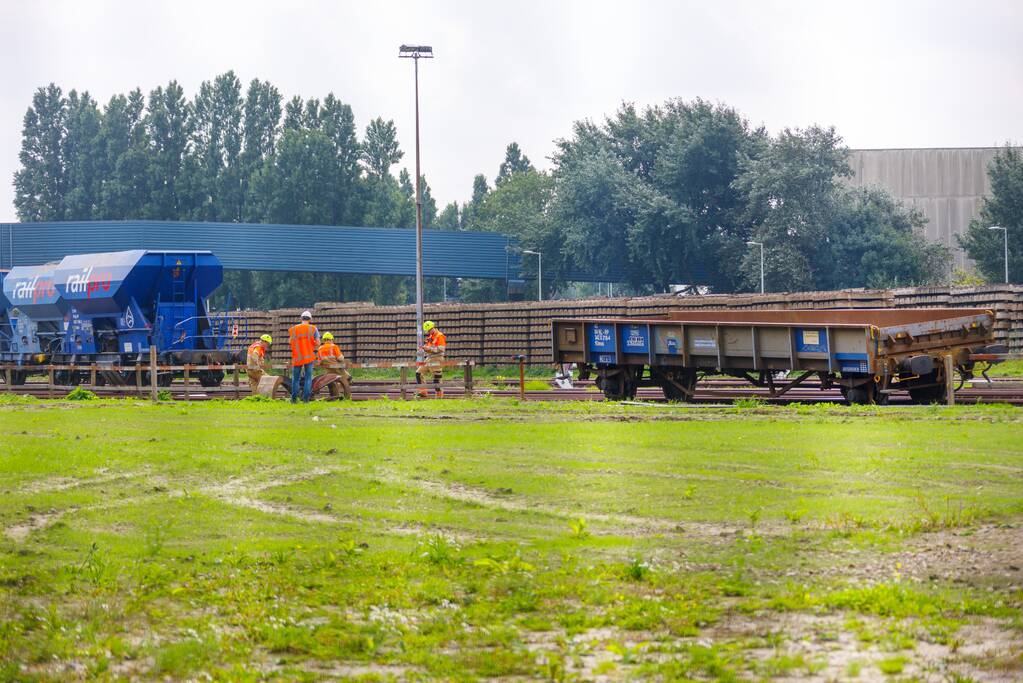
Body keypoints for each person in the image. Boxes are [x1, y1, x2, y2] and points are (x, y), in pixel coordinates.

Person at [288, 310, 319, 403]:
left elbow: (290, 342)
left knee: (295, 379)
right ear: (310, 319)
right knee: (308, 378)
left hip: (297, 357)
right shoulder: (313, 329)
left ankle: (294, 400)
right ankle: (305, 400)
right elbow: (318, 343)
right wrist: (310, 343)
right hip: (308, 356)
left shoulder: (294, 329)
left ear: (301, 318)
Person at [318, 332, 352, 399]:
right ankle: (346, 396)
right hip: (337, 369)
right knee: (348, 378)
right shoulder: (334, 346)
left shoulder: (320, 349)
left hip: (328, 371)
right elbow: (340, 358)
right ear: (331, 339)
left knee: (331, 382)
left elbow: (319, 362)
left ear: (324, 340)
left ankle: (335, 396)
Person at [417, 320, 446, 398]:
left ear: (433, 328)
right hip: (429, 358)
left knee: (437, 377)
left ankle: (439, 396)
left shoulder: (440, 336)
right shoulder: (430, 336)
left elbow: (441, 348)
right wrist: (423, 348)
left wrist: (429, 348)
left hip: (437, 358)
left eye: (429, 330)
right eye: (427, 331)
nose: (428, 332)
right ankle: (423, 392)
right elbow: (428, 347)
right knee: (418, 373)